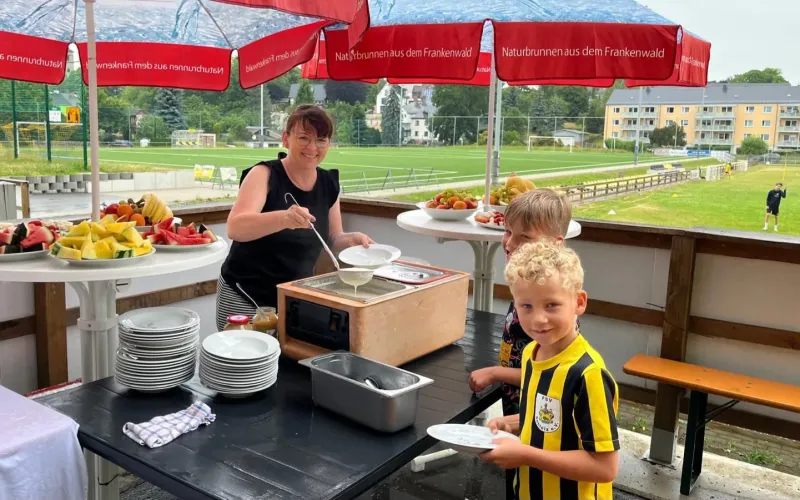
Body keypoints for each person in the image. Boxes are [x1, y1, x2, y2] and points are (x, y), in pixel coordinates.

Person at [480, 240, 620, 500]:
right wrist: (511, 424)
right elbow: (550, 421)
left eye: (551, 305)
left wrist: (525, 455)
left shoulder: (588, 375)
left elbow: (605, 467)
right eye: (526, 306)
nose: (538, 319)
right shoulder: (531, 354)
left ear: (579, 302)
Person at [216, 105, 373, 330]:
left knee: (286, 360)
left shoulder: (329, 183)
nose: (312, 147)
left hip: (293, 296)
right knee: (245, 362)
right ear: (286, 139)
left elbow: (331, 237)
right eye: (303, 138)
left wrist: (351, 239)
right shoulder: (264, 174)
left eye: (321, 139)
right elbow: (235, 227)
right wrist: (284, 219)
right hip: (245, 294)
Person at [467, 188, 573, 499]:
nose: (509, 243)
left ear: (556, 246)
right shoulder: (528, 290)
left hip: (546, 420)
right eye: (508, 231)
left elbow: (551, 375)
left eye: (524, 237)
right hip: (522, 412)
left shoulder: (549, 313)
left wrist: (496, 373)